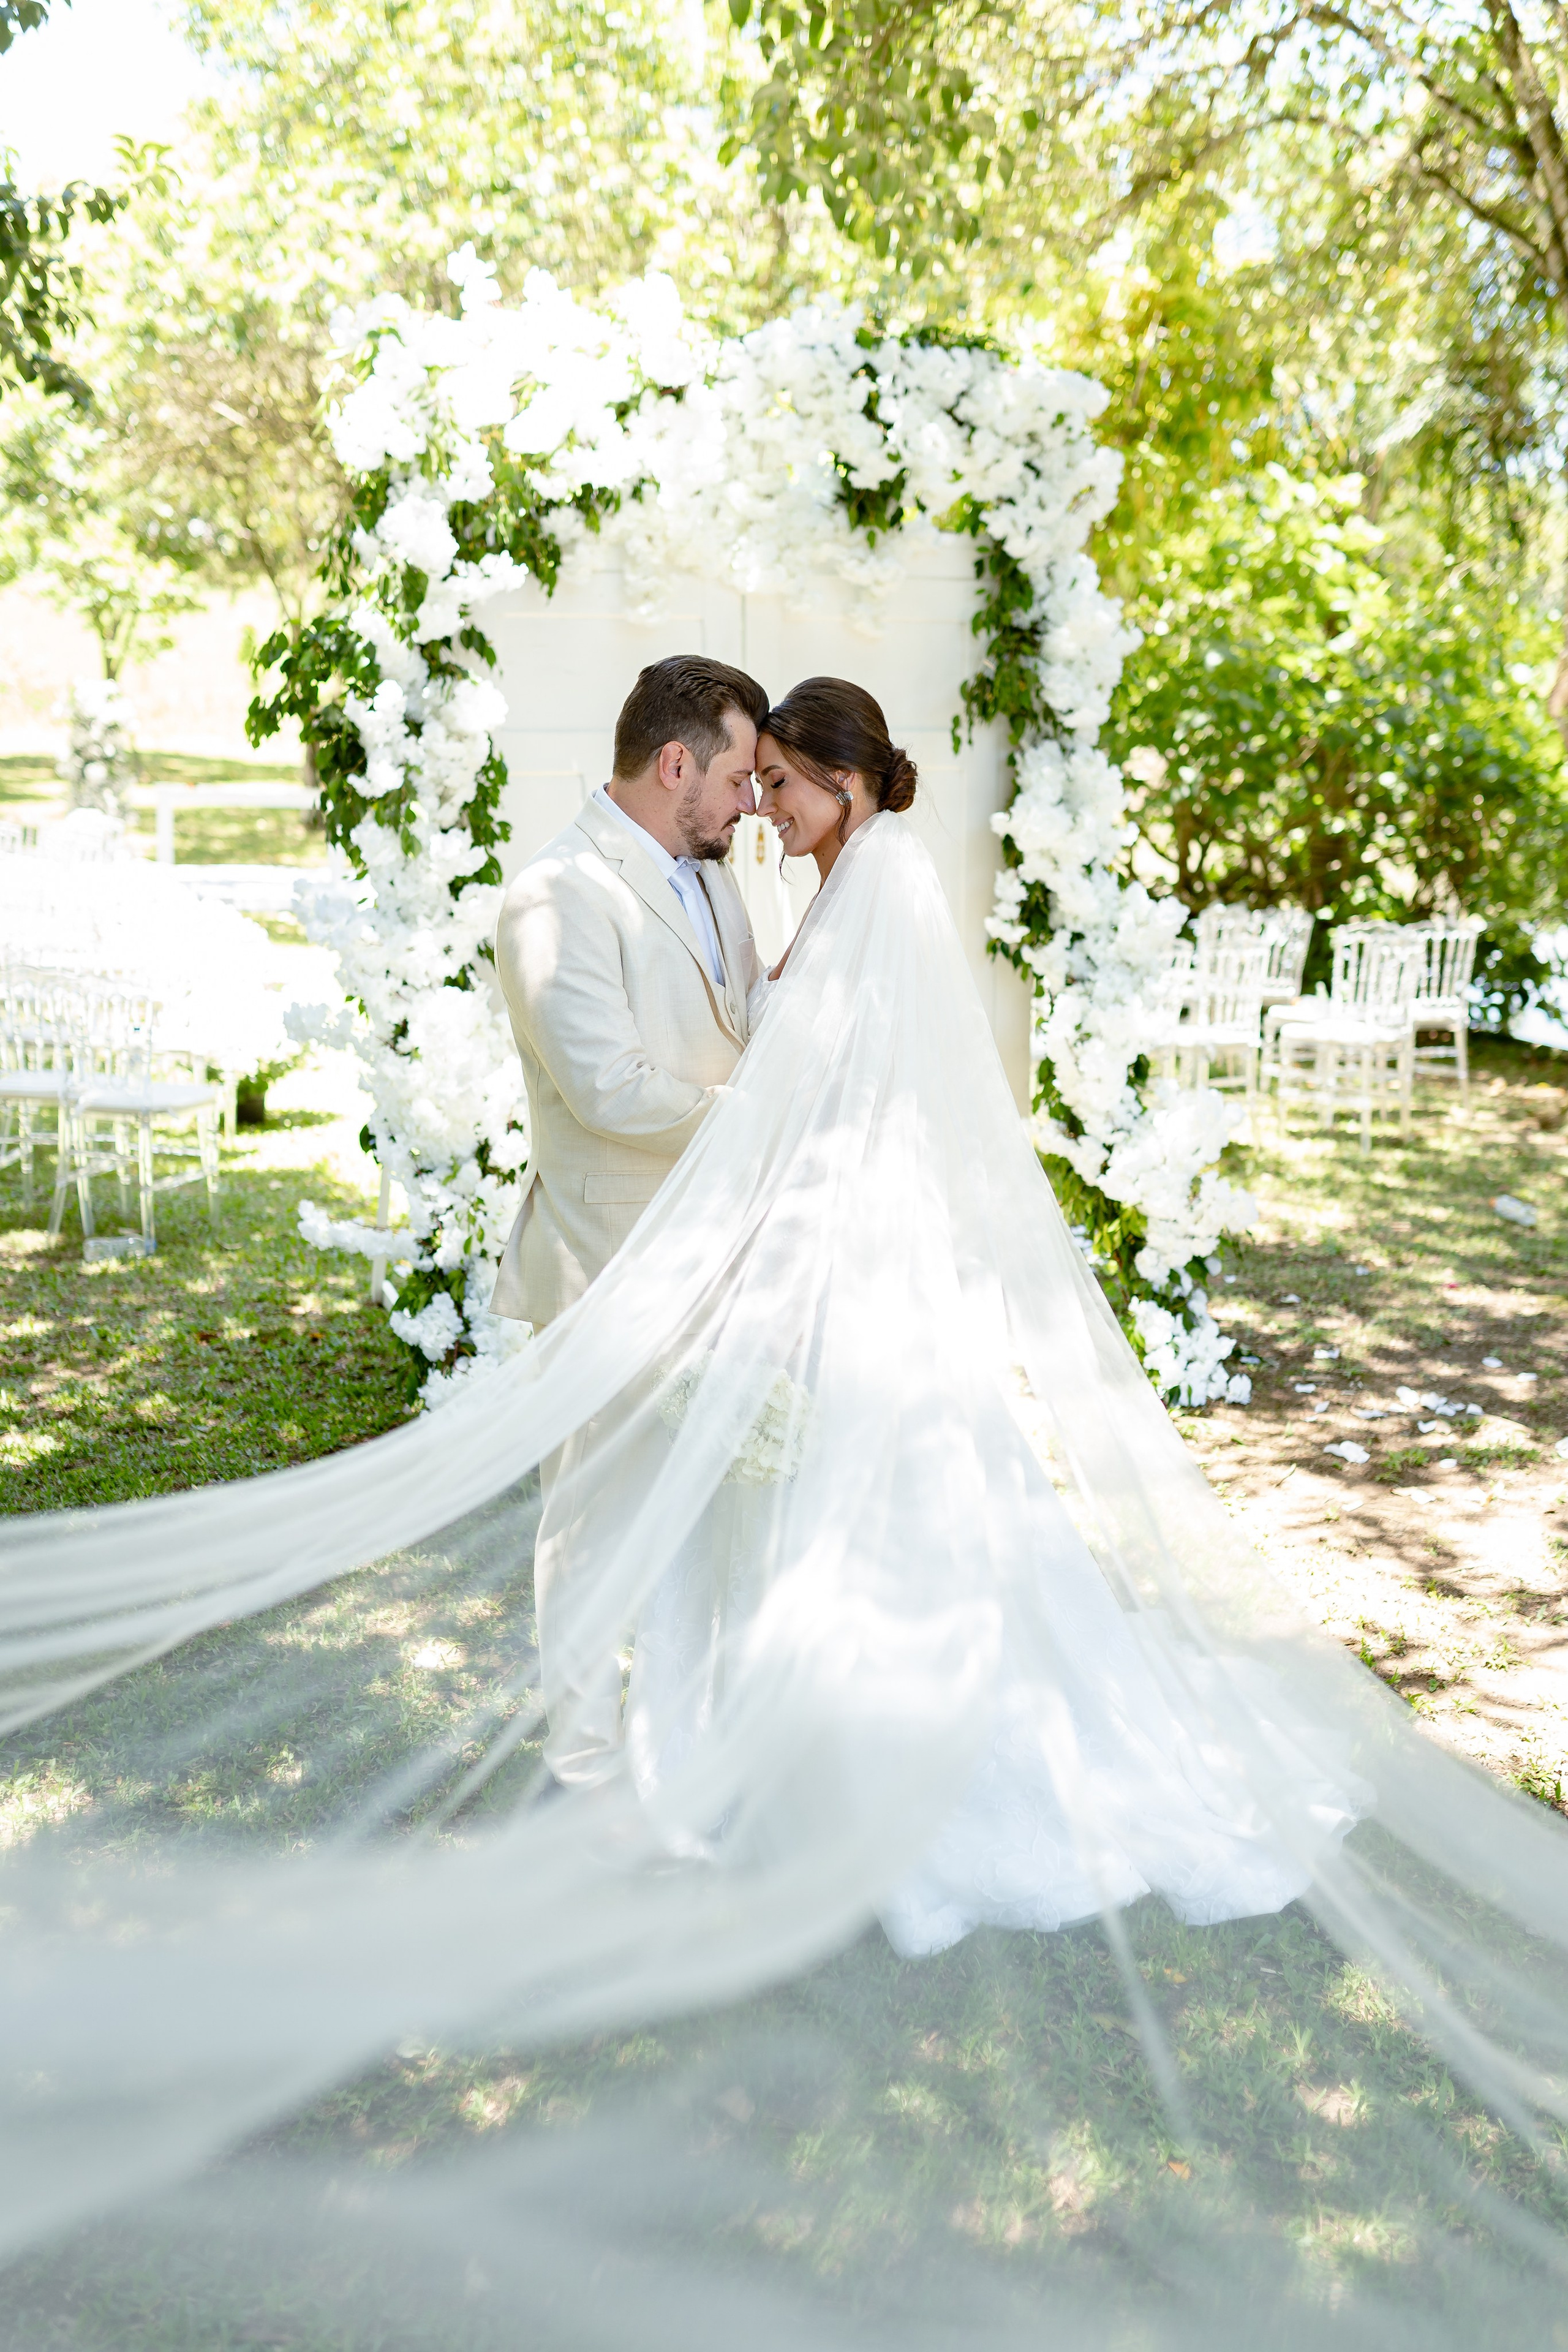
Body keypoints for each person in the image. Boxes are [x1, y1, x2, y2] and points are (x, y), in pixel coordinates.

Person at [489, 653, 769, 1786]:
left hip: (727, 1250)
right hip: (605, 1256)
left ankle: (690, 1739)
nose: (753, 804)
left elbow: (741, 1018)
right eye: (742, 778)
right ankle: (587, 1765)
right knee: (596, 1516)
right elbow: (605, 1085)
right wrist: (764, 1117)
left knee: (714, 1505)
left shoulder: (713, 874)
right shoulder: (556, 895)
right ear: (675, 764)